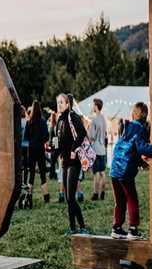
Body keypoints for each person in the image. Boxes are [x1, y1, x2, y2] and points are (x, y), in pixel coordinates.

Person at [110, 102, 152, 240]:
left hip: (114, 170)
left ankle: (116, 228)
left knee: (120, 200)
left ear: (133, 114)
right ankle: (133, 230)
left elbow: (130, 149)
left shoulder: (126, 127)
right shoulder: (139, 128)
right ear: (145, 116)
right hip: (125, 171)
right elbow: (141, 147)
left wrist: (141, 163)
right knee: (132, 199)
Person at [55, 93, 88, 235]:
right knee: (69, 198)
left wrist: (74, 149)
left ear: (68, 104)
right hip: (65, 162)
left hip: (74, 162)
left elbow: (82, 133)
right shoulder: (60, 120)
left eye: (62, 102)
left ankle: (82, 227)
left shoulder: (72, 116)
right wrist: (55, 149)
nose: (59, 104)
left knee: (70, 197)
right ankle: (73, 228)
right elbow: (58, 139)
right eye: (58, 102)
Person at [24, 100, 50, 208]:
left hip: (31, 149)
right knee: (43, 172)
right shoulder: (43, 121)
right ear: (39, 109)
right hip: (40, 149)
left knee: (32, 174)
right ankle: (46, 196)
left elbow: (25, 137)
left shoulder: (29, 122)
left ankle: (29, 196)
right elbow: (46, 136)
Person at [89, 98, 107, 201]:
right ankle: (103, 192)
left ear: (96, 106)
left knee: (96, 173)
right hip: (102, 149)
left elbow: (92, 136)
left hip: (95, 148)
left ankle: (95, 193)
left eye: (93, 105)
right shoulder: (103, 119)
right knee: (102, 172)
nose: (92, 107)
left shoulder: (94, 120)